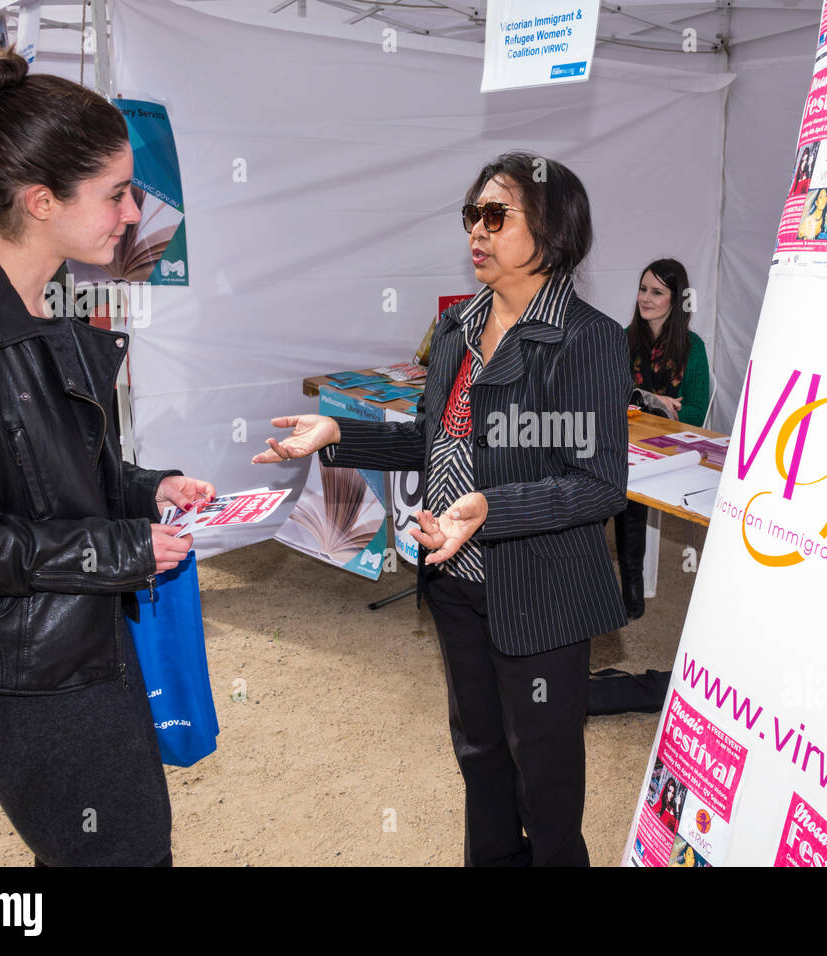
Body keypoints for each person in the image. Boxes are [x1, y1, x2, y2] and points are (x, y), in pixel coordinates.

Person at [254, 151, 632, 866]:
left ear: (552, 231)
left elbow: (598, 484)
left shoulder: (588, 340)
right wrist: (339, 434)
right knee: (481, 753)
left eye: (496, 216)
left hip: (540, 589)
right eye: (471, 216)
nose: (476, 233)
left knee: (544, 777)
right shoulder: (459, 326)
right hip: (455, 580)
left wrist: (491, 506)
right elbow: (436, 438)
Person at [0, 46, 214, 866]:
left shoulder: (51, 303)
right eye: (115, 194)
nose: (134, 213)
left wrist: (147, 491)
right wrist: (115, 549)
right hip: (23, 670)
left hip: (83, 630)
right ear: (41, 200)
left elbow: (57, 476)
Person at [617, 258, 710, 619]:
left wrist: (643, 402)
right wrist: (654, 402)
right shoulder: (625, 339)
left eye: (657, 291)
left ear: (677, 299)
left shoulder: (692, 347)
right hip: (628, 442)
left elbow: (694, 414)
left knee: (630, 486)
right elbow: (611, 396)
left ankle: (632, 592)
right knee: (599, 477)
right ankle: (605, 584)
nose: (646, 298)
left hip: (674, 450)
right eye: (643, 289)